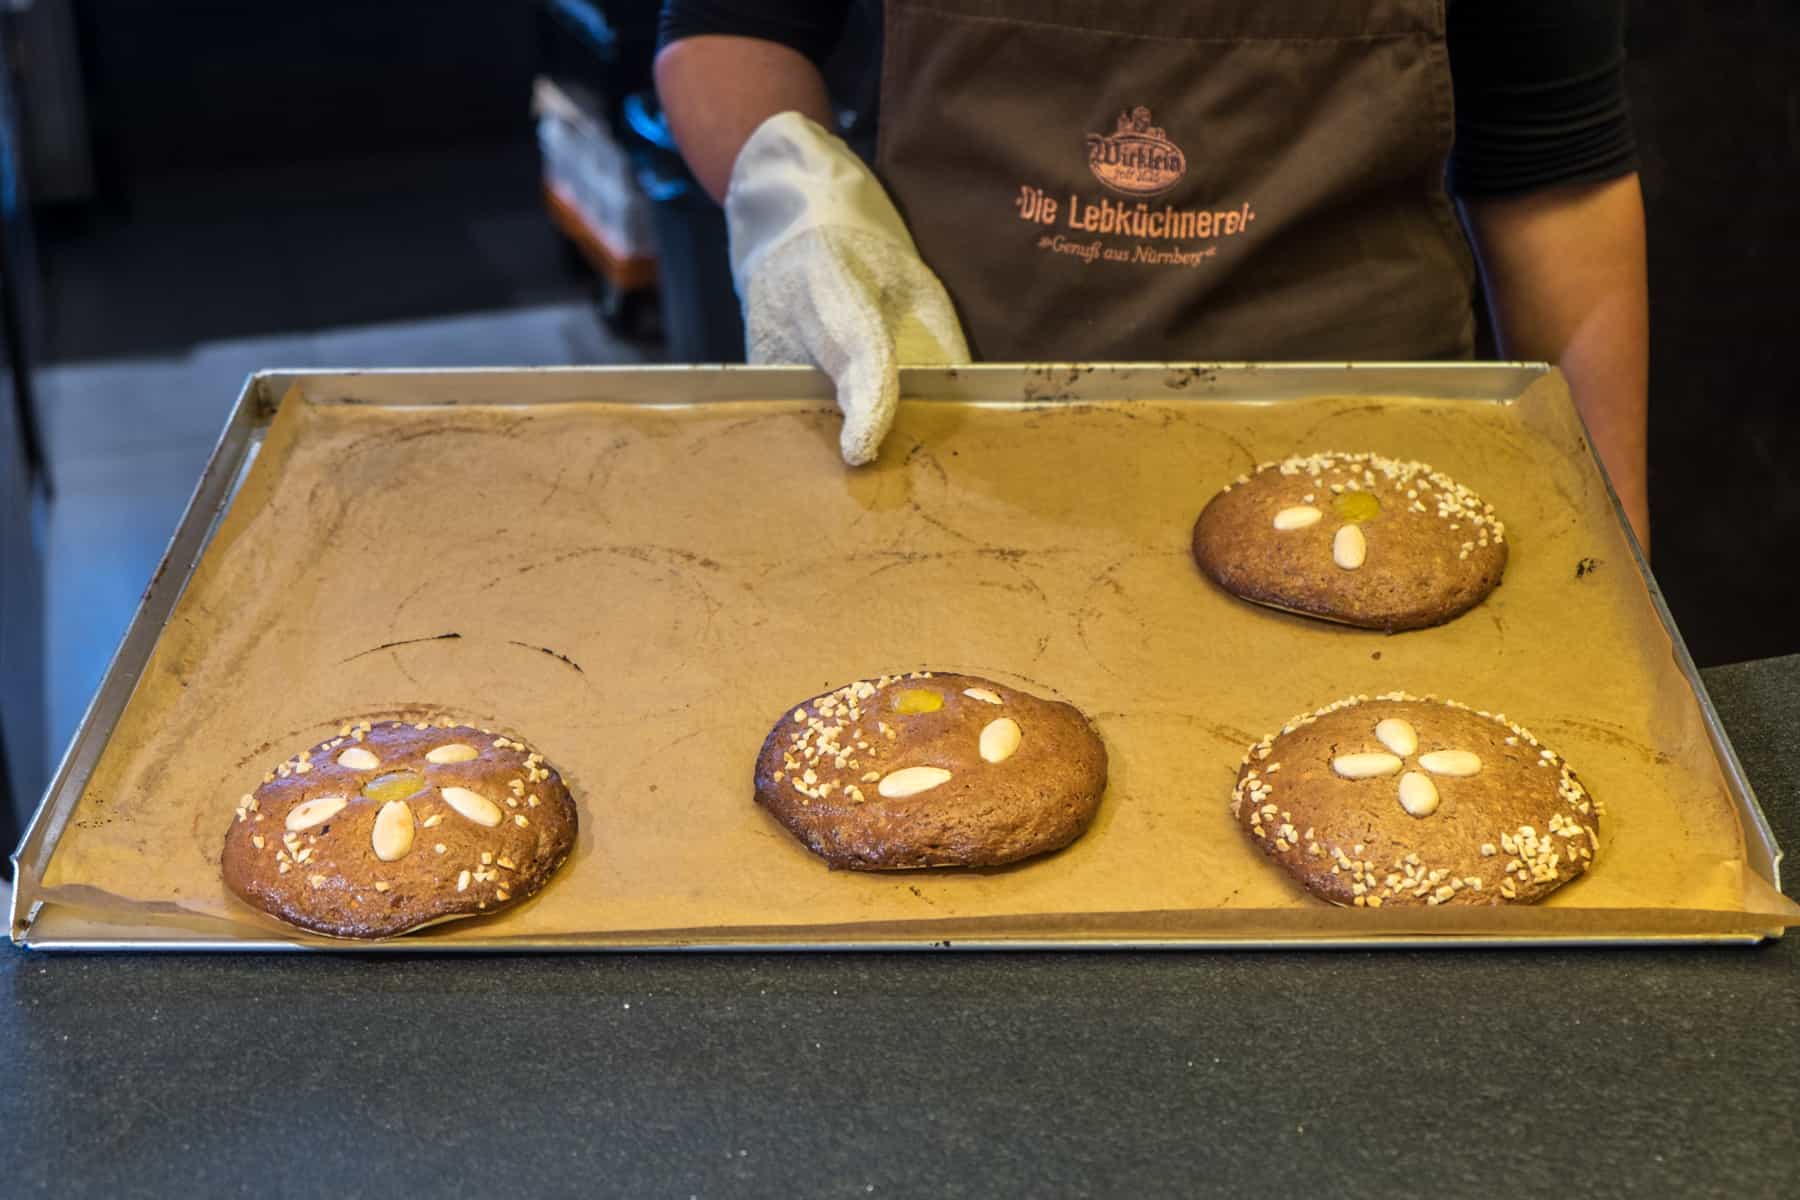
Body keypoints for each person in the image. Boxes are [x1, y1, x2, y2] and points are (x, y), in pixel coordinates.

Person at [654, 1, 1650, 549]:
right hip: (949, 427)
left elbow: (1555, 177)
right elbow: (723, 31)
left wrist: (1613, 563)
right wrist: (800, 204)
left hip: (1364, 474)